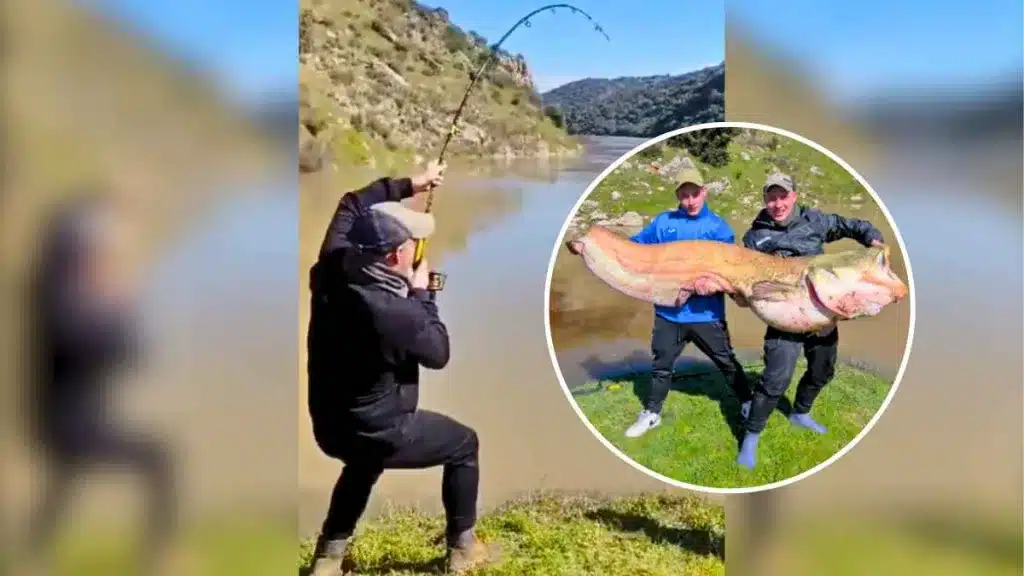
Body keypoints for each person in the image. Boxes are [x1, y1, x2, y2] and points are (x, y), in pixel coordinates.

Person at [304, 161, 497, 575]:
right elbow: (438, 352)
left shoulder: (332, 265)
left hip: (329, 423)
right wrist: (423, 293)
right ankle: (464, 549)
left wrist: (413, 184)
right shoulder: (396, 312)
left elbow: (352, 202)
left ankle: (328, 557)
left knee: (362, 463)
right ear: (396, 255)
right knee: (464, 446)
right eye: (413, 241)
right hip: (381, 430)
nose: (418, 246)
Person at [23, 193, 178, 575]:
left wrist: (117, 309)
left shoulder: (58, 290)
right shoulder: (63, 300)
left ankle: (32, 557)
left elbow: (128, 354)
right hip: (68, 422)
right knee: (160, 459)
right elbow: (101, 349)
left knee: (63, 481)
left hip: (69, 418)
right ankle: (159, 559)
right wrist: (120, 308)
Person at [734, 172, 885, 470]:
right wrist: (738, 294)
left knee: (822, 371)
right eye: (771, 197)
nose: (777, 203)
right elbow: (744, 278)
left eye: (783, 196)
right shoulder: (754, 236)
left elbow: (852, 225)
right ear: (765, 199)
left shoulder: (814, 221)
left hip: (822, 312)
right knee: (775, 379)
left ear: (794, 196)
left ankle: (800, 412)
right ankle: (751, 435)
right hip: (784, 316)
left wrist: (872, 238)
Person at [623, 167, 754, 438]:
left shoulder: (719, 228)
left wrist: (715, 284)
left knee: (727, 363)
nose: (691, 200)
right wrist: (604, 248)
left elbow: (729, 271)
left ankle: (748, 403)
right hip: (668, 314)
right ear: (677, 196)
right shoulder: (662, 223)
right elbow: (635, 248)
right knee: (661, 365)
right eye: (684, 195)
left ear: (704, 192)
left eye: (695, 194)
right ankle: (652, 413)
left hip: (707, 314)